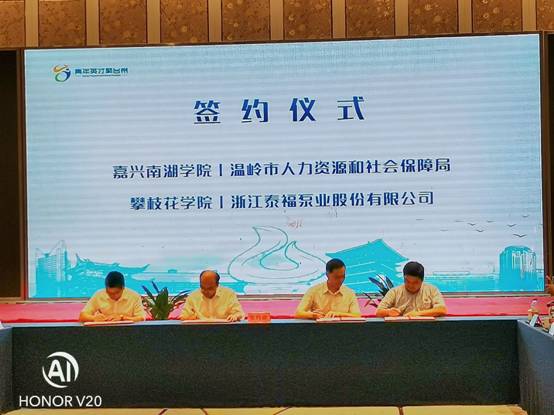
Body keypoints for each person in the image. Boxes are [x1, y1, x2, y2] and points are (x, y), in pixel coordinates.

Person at [295, 258, 361, 320]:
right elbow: (298, 313)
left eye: (343, 276)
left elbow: (357, 316)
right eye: (337, 277)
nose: (341, 280)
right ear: (327, 274)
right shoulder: (314, 291)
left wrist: (338, 314)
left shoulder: (349, 293)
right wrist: (313, 315)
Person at [376, 261, 447, 317]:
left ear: (422, 280)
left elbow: (441, 310)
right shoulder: (394, 292)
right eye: (407, 281)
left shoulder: (432, 290)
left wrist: (418, 314)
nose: (411, 285)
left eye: (415, 282)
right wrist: (388, 312)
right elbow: (378, 312)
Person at [79, 271, 146, 322]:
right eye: (109, 293)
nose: (113, 296)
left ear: (123, 288)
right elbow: (82, 316)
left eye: (117, 293)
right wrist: (94, 318)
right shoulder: (99, 295)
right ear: (106, 288)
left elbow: (141, 318)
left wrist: (122, 318)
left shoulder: (134, 296)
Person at [180, 270, 244, 321]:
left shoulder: (228, 294)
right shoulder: (193, 296)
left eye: (210, 288)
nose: (206, 291)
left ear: (217, 285)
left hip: (224, 330)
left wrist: (235, 316)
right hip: (199, 330)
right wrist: (190, 317)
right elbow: (184, 316)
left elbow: (239, 313)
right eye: (203, 288)